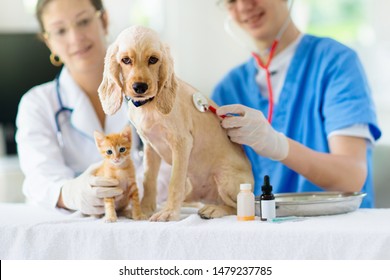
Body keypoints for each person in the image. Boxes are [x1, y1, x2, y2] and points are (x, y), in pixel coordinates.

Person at [212, 0, 381, 207]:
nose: (244, 6)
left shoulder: (336, 63)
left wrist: (277, 144)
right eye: (231, 1)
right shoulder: (228, 89)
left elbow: (351, 176)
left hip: (336, 228)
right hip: (261, 232)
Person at [15, 0, 168, 215]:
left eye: (84, 21)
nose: (75, 38)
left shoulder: (150, 91)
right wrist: (70, 193)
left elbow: (171, 161)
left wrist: (134, 190)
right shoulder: (37, 104)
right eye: (60, 30)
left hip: (141, 221)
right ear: (49, 42)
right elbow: (40, 178)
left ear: (104, 21)